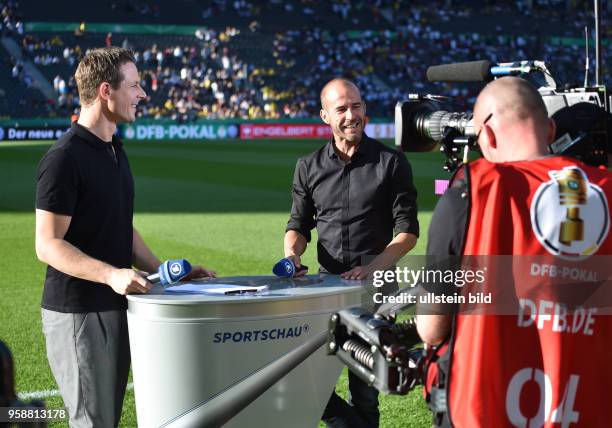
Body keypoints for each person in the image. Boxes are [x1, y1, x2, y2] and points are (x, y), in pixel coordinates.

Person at [35, 47, 215, 428]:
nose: (143, 94)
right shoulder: (63, 158)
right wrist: (112, 274)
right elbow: (47, 244)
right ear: (105, 91)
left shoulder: (115, 150)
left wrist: (166, 271)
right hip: (80, 311)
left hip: (118, 305)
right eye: (134, 85)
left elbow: (120, 226)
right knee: (92, 422)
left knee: (107, 418)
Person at [417, 77, 612, 426]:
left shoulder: (471, 188)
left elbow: (432, 327)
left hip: (482, 409)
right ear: (550, 129)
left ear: (487, 136)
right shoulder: (606, 193)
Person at [284, 77, 419, 428]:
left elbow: (407, 233)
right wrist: (292, 255)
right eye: (341, 109)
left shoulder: (392, 163)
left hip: (374, 293)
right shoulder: (308, 166)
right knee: (310, 383)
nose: (350, 115)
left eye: (356, 106)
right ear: (324, 116)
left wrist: (372, 269)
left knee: (366, 392)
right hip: (323, 292)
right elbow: (298, 226)